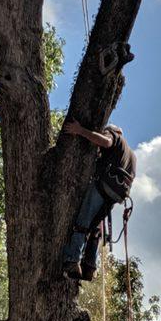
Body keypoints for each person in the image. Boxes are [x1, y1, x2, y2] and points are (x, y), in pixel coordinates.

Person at [62, 118, 136, 281]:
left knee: (83, 222)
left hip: (104, 185)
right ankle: (89, 266)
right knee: (95, 227)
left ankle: (72, 260)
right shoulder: (131, 155)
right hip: (117, 195)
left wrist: (80, 130)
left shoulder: (114, 137)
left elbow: (106, 142)